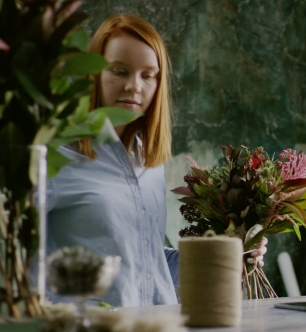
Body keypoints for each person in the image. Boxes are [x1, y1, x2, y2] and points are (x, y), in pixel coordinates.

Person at [44, 14, 266, 307]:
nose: (134, 86)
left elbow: (149, 264)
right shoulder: (54, 157)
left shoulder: (149, 165)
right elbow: (20, 268)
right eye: (119, 71)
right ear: (93, 74)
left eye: (148, 75)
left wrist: (225, 255)